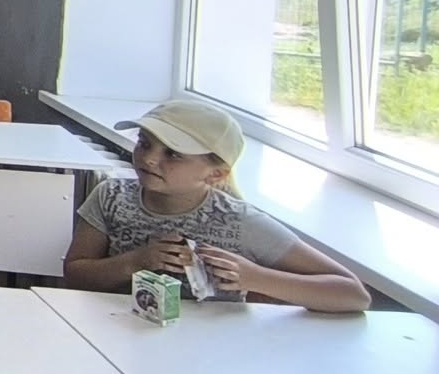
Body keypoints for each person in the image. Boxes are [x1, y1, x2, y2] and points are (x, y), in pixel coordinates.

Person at [62, 99, 368, 311]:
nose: (149, 158)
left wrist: (254, 277)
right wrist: (135, 262)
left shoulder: (239, 221)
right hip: (114, 338)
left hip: (209, 355)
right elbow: (75, 275)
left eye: (173, 154)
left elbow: (353, 294)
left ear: (215, 174)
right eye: (144, 143)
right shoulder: (111, 196)